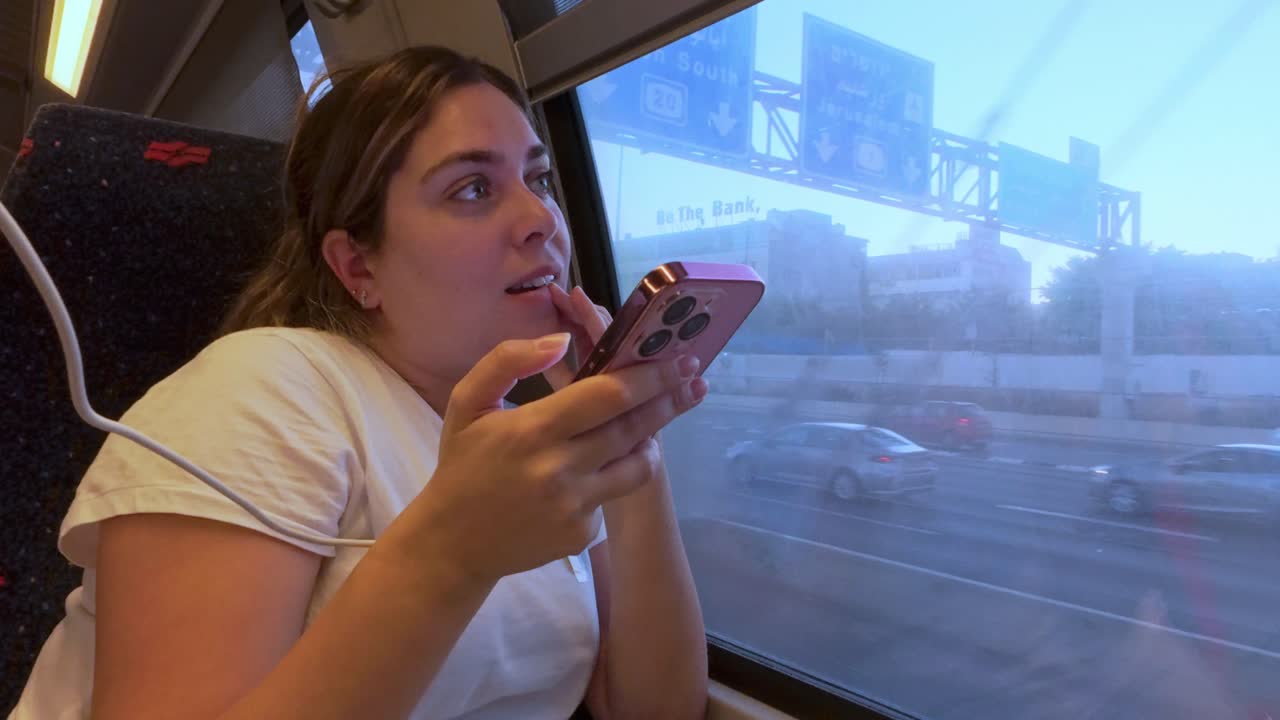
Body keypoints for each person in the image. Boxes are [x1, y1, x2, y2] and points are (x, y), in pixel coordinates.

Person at [10, 46, 708, 720]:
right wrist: (451, 554)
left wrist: (631, 438)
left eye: (540, 179)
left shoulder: (519, 440)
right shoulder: (262, 390)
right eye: (472, 188)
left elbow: (649, 706)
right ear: (358, 268)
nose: (542, 219)